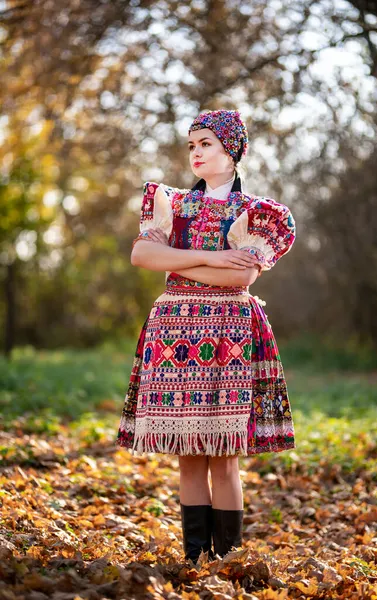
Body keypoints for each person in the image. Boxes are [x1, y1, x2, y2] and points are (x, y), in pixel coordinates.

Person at [115, 109, 296, 563]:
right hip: (175, 333)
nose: (195, 153)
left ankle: (227, 557)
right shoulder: (170, 203)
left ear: (232, 151)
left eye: (206, 144)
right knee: (188, 452)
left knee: (224, 451)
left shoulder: (256, 212)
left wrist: (175, 259)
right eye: (192, 145)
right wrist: (213, 258)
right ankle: (195, 556)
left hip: (229, 334)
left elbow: (243, 280)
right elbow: (142, 255)